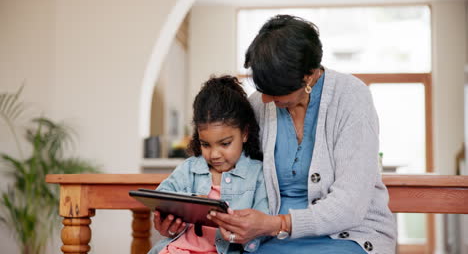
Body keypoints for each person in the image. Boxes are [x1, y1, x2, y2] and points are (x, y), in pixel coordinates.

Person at [206, 15, 397, 254]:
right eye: (262, 89)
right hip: (268, 238)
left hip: (345, 236)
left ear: (309, 75)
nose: (265, 99)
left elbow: (351, 205)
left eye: (275, 90)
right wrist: (182, 216)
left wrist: (277, 224)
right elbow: (230, 171)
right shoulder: (260, 104)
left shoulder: (351, 97)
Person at [148, 76, 269, 254]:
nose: (214, 154)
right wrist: (188, 205)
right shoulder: (190, 169)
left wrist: (243, 232)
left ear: (244, 133)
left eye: (225, 143)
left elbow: (262, 227)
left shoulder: (257, 174)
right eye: (206, 144)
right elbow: (162, 198)